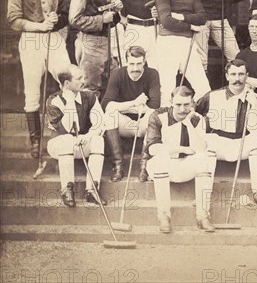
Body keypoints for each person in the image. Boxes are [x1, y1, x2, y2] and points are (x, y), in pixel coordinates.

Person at [7, 0, 71, 158]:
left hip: (54, 39)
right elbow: (13, 20)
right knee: (32, 90)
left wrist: (56, 19)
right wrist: (39, 26)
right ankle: (35, 141)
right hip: (31, 40)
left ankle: (65, 131)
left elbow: (65, 15)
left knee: (68, 80)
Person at [196, 59, 257, 207]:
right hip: (219, 142)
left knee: (255, 140)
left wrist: (253, 105)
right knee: (209, 141)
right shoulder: (212, 96)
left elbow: (255, 128)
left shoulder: (256, 98)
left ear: (247, 75)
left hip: (242, 143)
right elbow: (195, 114)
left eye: (241, 74)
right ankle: (204, 193)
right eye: (233, 74)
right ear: (227, 76)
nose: (237, 79)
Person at [144, 86, 217, 233]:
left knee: (206, 158)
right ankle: (164, 216)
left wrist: (188, 123)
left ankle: (203, 215)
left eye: (186, 105)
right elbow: (153, 149)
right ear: (171, 102)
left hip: (185, 167)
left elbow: (200, 148)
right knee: (160, 159)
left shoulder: (197, 119)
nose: (182, 109)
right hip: (162, 166)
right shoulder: (158, 116)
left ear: (192, 104)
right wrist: (181, 149)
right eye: (178, 104)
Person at [154, 0, 211, 106]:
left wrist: (182, 17)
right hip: (168, 42)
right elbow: (166, 21)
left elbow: (202, 17)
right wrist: (191, 25)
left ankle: (197, 121)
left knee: (203, 87)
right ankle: (166, 125)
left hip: (187, 43)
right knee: (167, 87)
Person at [46, 65, 107, 207]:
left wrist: (89, 135)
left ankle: (92, 190)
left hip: (80, 142)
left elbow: (100, 122)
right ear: (67, 84)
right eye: (79, 78)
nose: (83, 81)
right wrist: (70, 102)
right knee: (67, 139)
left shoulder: (89, 97)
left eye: (83, 77)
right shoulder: (54, 100)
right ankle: (67, 189)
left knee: (98, 140)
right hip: (58, 144)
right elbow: (67, 129)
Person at [101, 46, 161, 181]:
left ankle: (144, 167)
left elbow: (154, 106)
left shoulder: (152, 74)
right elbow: (106, 105)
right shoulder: (117, 74)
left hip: (144, 125)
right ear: (126, 61)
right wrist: (134, 103)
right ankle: (118, 166)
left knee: (153, 114)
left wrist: (121, 107)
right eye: (132, 64)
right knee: (109, 115)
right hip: (125, 125)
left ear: (144, 61)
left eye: (139, 63)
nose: (135, 68)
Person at [69, 0, 122, 95]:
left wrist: (115, 9)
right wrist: (102, 19)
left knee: (113, 84)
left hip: (105, 43)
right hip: (90, 44)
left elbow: (104, 14)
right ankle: (85, 118)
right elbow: (74, 20)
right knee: (89, 90)